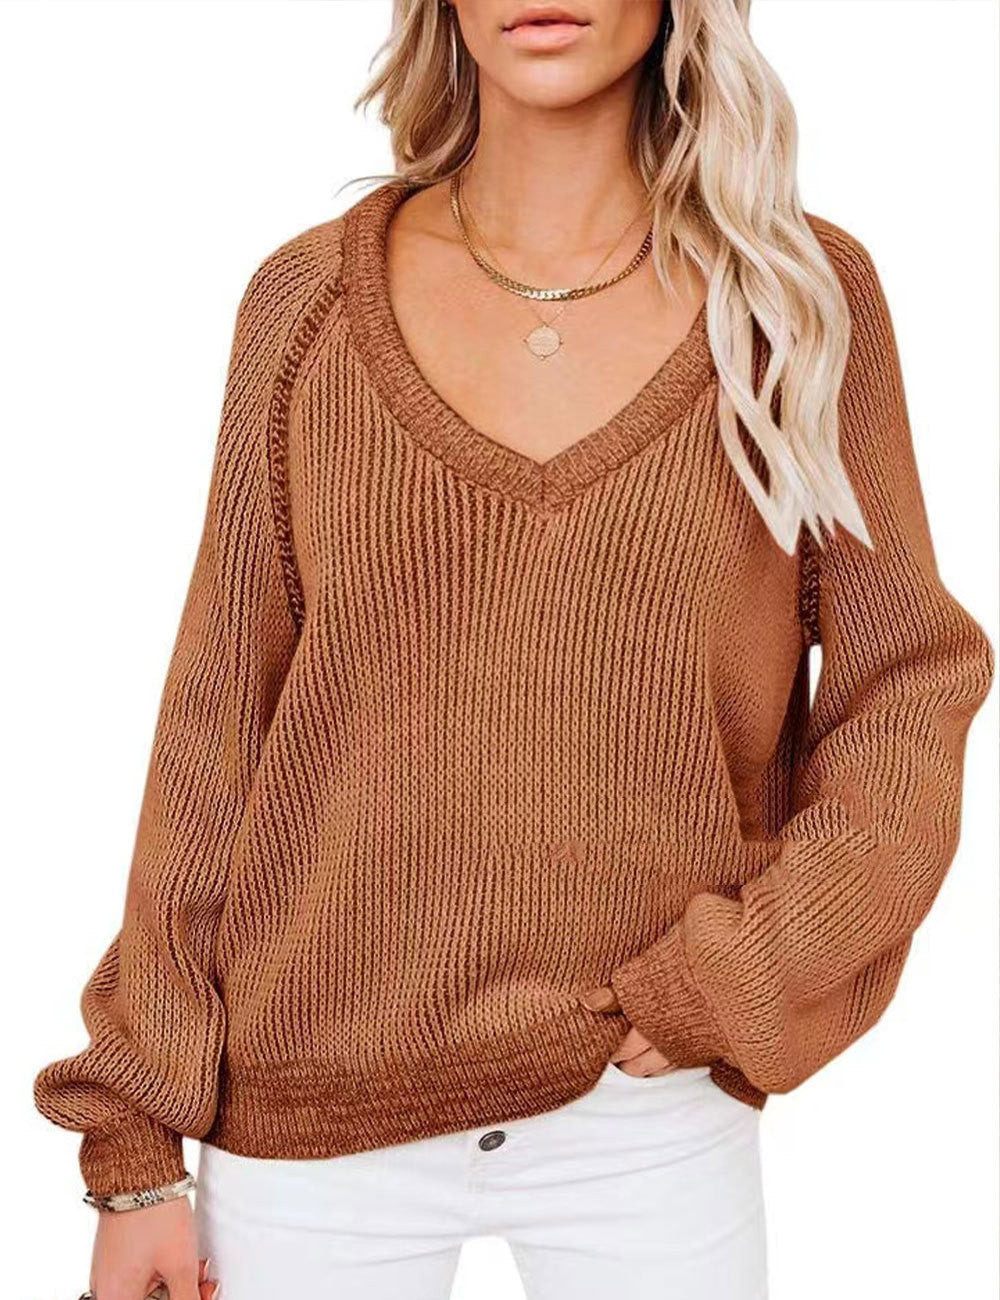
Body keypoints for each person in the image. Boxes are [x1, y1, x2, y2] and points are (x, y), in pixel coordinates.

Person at [35, 2, 994, 1298]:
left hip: (642, 1115)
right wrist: (136, 1150)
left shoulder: (791, 300)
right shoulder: (309, 304)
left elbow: (908, 687)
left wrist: (754, 970)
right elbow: (219, 720)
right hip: (311, 1116)